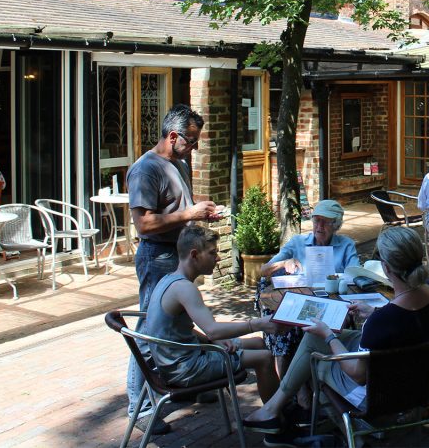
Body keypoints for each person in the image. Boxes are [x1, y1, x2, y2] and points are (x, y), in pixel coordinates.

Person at [244, 226, 429, 438]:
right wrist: (374, 310)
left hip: (377, 394)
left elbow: (358, 375)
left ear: (386, 268)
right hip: (419, 385)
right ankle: (274, 409)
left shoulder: (381, 321)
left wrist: (329, 335)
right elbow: (405, 322)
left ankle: (342, 424)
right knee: (314, 336)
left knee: (316, 356)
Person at [126, 104, 219, 435]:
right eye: (191, 142)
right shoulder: (145, 170)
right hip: (157, 257)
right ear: (173, 135)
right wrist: (190, 214)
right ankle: (141, 407)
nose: (194, 148)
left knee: (180, 323)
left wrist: (202, 213)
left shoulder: (178, 163)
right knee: (150, 331)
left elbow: (179, 209)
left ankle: (196, 384)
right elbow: (144, 224)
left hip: (178, 256)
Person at [143, 225, 281, 400]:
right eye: (212, 253)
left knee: (258, 343)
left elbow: (175, 330)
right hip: (184, 369)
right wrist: (257, 324)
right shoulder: (184, 288)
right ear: (194, 255)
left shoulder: (168, 280)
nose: (217, 258)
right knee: (265, 358)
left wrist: (214, 341)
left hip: (176, 360)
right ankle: (272, 417)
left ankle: (277, 406)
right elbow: (213, 329)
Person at [259, 200, 360, 399]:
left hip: (331, 305)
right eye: (316, 220)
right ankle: (297, 391)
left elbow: (356, 276)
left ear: (336, 225)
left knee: (328, 325)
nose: (319, 226)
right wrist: (283, 262)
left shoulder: (345, 245)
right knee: (285, 330)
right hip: (299, 303)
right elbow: (263, 271)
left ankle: (317, 387)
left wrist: (340, 278)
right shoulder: (297, 243)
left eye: (325, 222)